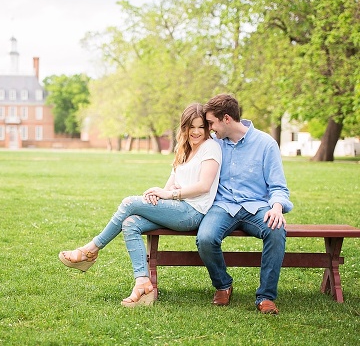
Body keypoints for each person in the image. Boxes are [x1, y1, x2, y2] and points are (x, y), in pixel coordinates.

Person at [59, 103, 222, 307]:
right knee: (130, 223)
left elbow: (204, 186)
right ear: (184, 127)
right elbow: (171, 182)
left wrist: (170, 194)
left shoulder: (210, 147)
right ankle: (143, 284)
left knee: (129, 203)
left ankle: (90, 250)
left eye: (201, 127)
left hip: (192, 212)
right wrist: (159, 196)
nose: (196, 132)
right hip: (176, 208)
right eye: (192, 127)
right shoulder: (183, 148)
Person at [196, 93, 292, 315]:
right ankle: (223, 285)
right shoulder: (214, 144)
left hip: (256, 207)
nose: (210, 129)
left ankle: (266, 297)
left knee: (276, 230)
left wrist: (277, 207)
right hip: (223, 206)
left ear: (226, 119)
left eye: (211, 123)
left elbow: (278, 186)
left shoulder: (266, 144)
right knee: (206, 238)